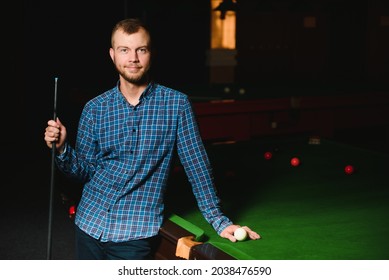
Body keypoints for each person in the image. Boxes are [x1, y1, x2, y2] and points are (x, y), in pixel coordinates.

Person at [44, 18, 260, 260]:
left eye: (141, 50)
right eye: (124, 50)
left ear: (151, 54)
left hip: (134, 233)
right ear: (112, 55)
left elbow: (197, 166)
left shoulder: (176, 105)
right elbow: (84, 171)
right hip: (89, 223)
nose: (133, 58)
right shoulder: (94, 108)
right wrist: (63, 148)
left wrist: (219, 221)